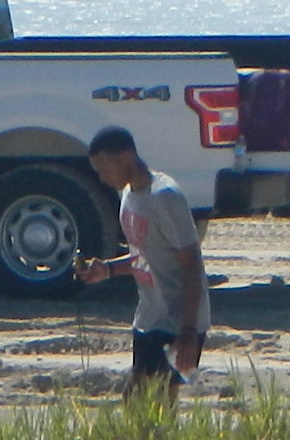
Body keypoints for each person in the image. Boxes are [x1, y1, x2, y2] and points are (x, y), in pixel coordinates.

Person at [80, 125, 208, 396]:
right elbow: (145, 254)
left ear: (126, 157)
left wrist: (188, 331)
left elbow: (192, 264)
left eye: (105, 169)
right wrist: (109, 270)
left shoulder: (165, 197)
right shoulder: (128, 196)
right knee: (141, 403)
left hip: (177, 320)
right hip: (148, 317)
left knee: (151, 402)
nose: (102, 178)